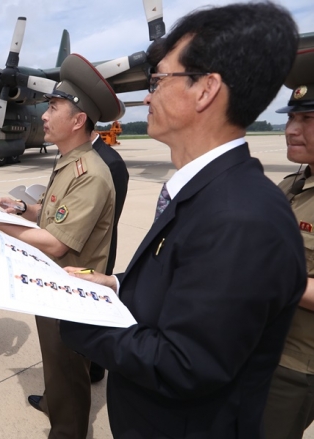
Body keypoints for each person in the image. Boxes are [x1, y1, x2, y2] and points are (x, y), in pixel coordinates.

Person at [58, 3, 306, 438]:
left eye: (158, 80)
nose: (148, 96)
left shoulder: (242, 218)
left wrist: (75, 315)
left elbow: (185, 363)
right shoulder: (208, 189)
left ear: (206, 89)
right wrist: (113, 285)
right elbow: (180, 280)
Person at [0, 54, 122, 438]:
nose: (44, 115)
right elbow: (50, 212)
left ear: (78, 120)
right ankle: (53, 402)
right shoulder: (68, 161)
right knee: (55, 362)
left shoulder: (90, 173)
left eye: (54, 106)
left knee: (68, 368)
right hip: (51, 283)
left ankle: (68, 430)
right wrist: (20, 208)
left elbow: (57, 243)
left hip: (71, 290)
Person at [263, 55, 314, 439]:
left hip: (297, 364)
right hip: (265, 346)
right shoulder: (293, 184)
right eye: (291, 118)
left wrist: (267, 276)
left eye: (307, 120)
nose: (290, 130)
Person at [89, 126, 129, 383]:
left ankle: (94, 368)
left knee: (94, 312)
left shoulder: (110, 162)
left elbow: (108, 219)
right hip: (83, 250)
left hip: (96, 254)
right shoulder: (78, 156)